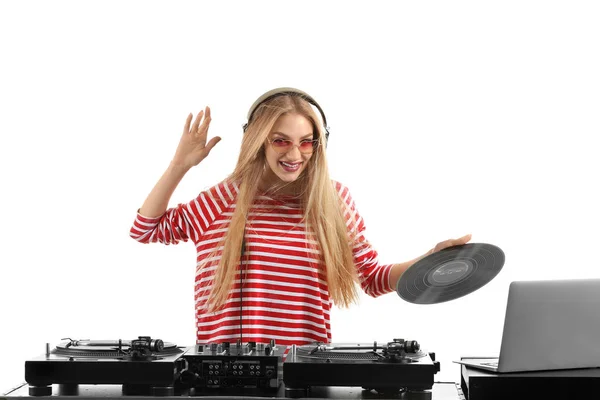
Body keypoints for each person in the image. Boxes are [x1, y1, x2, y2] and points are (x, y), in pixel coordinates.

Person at [129, 87, 471, 347]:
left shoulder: (334, 201)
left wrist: (426, 263)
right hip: (226, 381)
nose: (295, 154)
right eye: (281, 141)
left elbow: (371, 278)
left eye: (307, 142)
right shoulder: (224, 199)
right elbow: (146, 229)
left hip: (305, 375)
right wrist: (180, 165)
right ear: (258, 140)